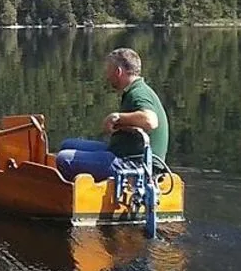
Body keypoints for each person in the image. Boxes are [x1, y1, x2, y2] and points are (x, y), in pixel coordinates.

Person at [55, 47, 169, 181]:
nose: (107, 76)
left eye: (108, 70)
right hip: (123, 152)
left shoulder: (138, 93)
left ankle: (82, 197)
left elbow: (150, 121)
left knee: (64, 159)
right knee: (67, 145)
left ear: (118, 71)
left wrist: (117, 117)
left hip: (137, 165)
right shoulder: (137, 89)